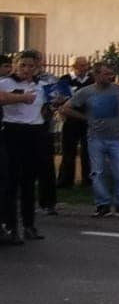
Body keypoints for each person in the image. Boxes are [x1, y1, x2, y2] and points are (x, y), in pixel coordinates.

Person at [63, 62, 119, 218]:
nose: (110, 77)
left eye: (111, 74)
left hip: (117, 136)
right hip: (96, 137)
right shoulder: (86, 92)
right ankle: (102, 204)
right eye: (106, 74)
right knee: (98, 171)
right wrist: (85, 118)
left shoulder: (118, 90)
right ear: (96, 75)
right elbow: (66, 108)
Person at [0, 51, 48, 243]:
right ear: (15, 65)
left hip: (35, 131)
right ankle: (10, 227)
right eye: (23, 65)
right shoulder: (5, 83)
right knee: (11, 182)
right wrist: (20, 98)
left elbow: (49, 104)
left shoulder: (42, 85)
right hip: (12, 130)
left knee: (29, 182)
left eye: (31, 66)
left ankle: (29, 225)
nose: (27, 70)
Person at [53, 56, 92, 191]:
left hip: (89, 119)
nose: (84, 68)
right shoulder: (65, 80)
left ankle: (88, 179)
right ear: (74, 66)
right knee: (68, 149)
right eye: (81, 65)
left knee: (88, 150)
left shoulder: (91, 80)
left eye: (86, 65)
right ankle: (65, 180)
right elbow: (59, 99)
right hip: (70, 119)